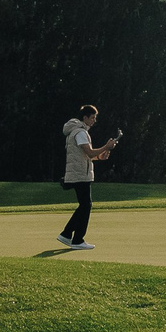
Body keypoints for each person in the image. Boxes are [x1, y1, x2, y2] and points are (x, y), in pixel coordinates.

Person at [58, 102, 119, 250]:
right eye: (92, 117)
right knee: (86, 205)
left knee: (84, 205)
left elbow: (86, 156)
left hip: (79, 173)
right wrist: (106, 147)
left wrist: (100, 157)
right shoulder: (80, 132)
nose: (94, 120)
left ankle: (67, 235)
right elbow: (90, 153)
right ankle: (76, 239)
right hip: (80, 175)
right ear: (85, 118)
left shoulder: (78, 131)